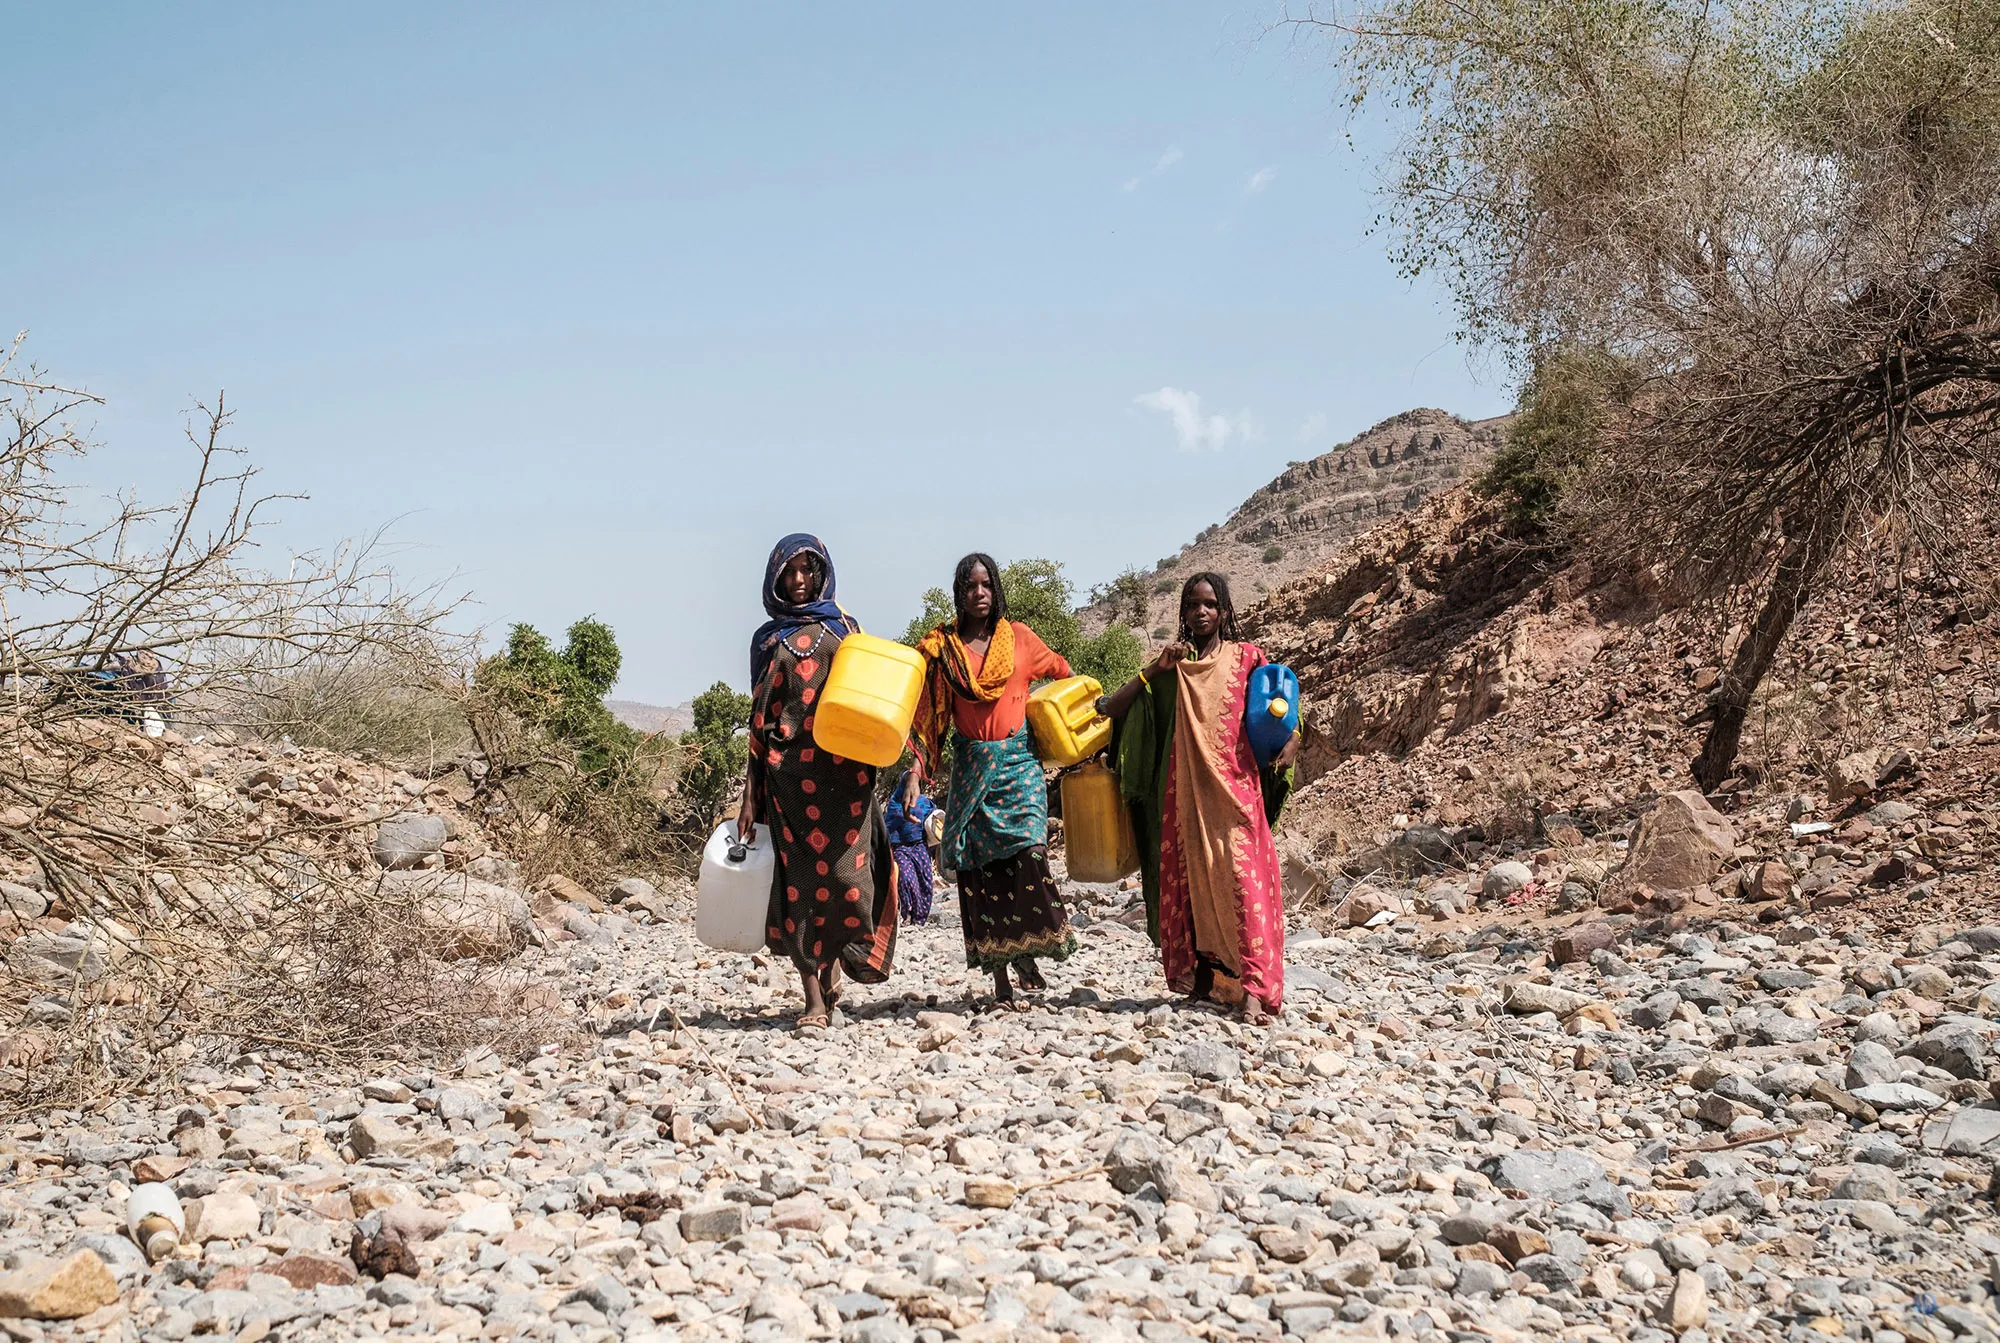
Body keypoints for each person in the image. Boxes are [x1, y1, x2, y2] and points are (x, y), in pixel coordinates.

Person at [1100, 572, 1297, 1025]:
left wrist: (1293, 741)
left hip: (1237, 792)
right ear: (1183, 613)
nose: (1201, 611)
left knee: (1244, 885)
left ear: (1225, 611)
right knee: (1197, 889)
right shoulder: (1176, 668)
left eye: (1210, 604)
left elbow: (1283, 704)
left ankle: (1255, 990)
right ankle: (1210, 983)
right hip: (1185, 798)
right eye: (1192, 605)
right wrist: (1154, 669)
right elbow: (1113, 707)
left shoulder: (1247, 658)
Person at [738, 534, 898, 1028]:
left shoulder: (847, 629)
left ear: (822, 572)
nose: (800, 580)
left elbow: (872, 698)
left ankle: (836, 966)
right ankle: (812, 993)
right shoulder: (767, 641)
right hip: (789, 781)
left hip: (845, 779)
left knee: (850, 882)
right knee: (799, 888)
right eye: (790, 572)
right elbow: (759, 718)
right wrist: (750, 793)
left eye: (808, 569)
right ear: (776, 579)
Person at [910, 553, 1076, 1008]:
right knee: (981, 872)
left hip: (1019, 765)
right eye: (969, 586)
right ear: (959, 593)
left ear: (996, 589)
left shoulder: (1019, 638)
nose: (979, 593)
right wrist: (916, 772)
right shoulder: (942, 651)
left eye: (985, 585)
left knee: (1029, 854)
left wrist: (1082, 719)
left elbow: (1063, 674)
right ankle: (1001, 975)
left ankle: (1030, 950)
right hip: (971, 768)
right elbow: (929, 718)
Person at [884, 770, 938, 924]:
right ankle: (906, 913)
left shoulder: (925, 802)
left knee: (925, 881)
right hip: (901, 848)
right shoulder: (895, 802)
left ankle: (920, 917)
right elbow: (889, 825)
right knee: (906, 879)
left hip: (920, 846)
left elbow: (934, 820)